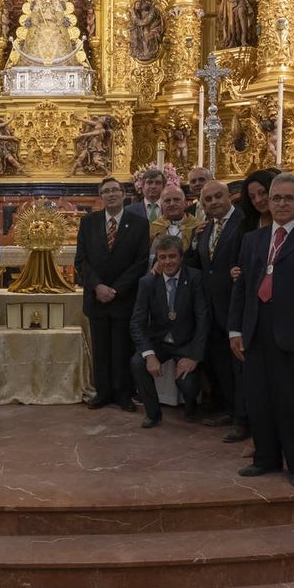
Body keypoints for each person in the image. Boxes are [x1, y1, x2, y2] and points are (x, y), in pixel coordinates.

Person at [229, 175, 294, 488]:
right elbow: (244, 289)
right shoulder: (254, 240)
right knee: (258, 399)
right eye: (276, 198)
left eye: (289, 198)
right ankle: (265, 458)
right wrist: (235, 330)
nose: (281, 204)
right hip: (256, 331)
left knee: (291, 403)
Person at [75, 176, 150, 412]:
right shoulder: (89, 222)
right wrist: (97, 286)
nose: (111, 194)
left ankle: (123, 394)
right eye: (106, 191)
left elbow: (140, 262)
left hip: (124, 297)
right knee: (101, 348)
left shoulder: (138, 223)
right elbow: (82, 260)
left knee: (122, 348)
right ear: (101, 196)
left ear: (123, 193)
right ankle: (103, 392)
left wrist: (116, 289)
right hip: (96, 297)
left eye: (115, 190)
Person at [130, 236, 210, 427]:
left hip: (186, 343)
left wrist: (194, 356)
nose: (167, 262)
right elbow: (136, 323)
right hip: (160, 341)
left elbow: (203, 320)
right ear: (156, 258)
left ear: (181, 256)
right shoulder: (147, 283)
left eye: (172, 256)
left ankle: (191, 408)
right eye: (162, 257)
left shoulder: (195, 278)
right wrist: (149, 356)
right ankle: (153, 413)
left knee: (188, 384)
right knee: (137, 363)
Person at [184, 180, 244, 430]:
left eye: (218, 196)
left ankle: (243, 416)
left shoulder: (242, 222)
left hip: (234, 304)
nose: (213, 203)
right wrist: (193, 243)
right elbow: (199, 265)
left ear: (229, 196)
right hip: (212, 307)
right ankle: (228, 409)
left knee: (238, 365)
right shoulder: (206, 228)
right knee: (220, 362)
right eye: (207, 200)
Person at [149, 185, 201, 258]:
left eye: (176, 200)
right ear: (161, 205)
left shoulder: (196, 226)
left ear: (185, 203)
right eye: (167, 200)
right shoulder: (154, 227)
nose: (172, 204)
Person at [238, 168, 276, 233]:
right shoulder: (245, 225)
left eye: (263, 193)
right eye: (252, 197)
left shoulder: (288, 220)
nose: (258, 200)